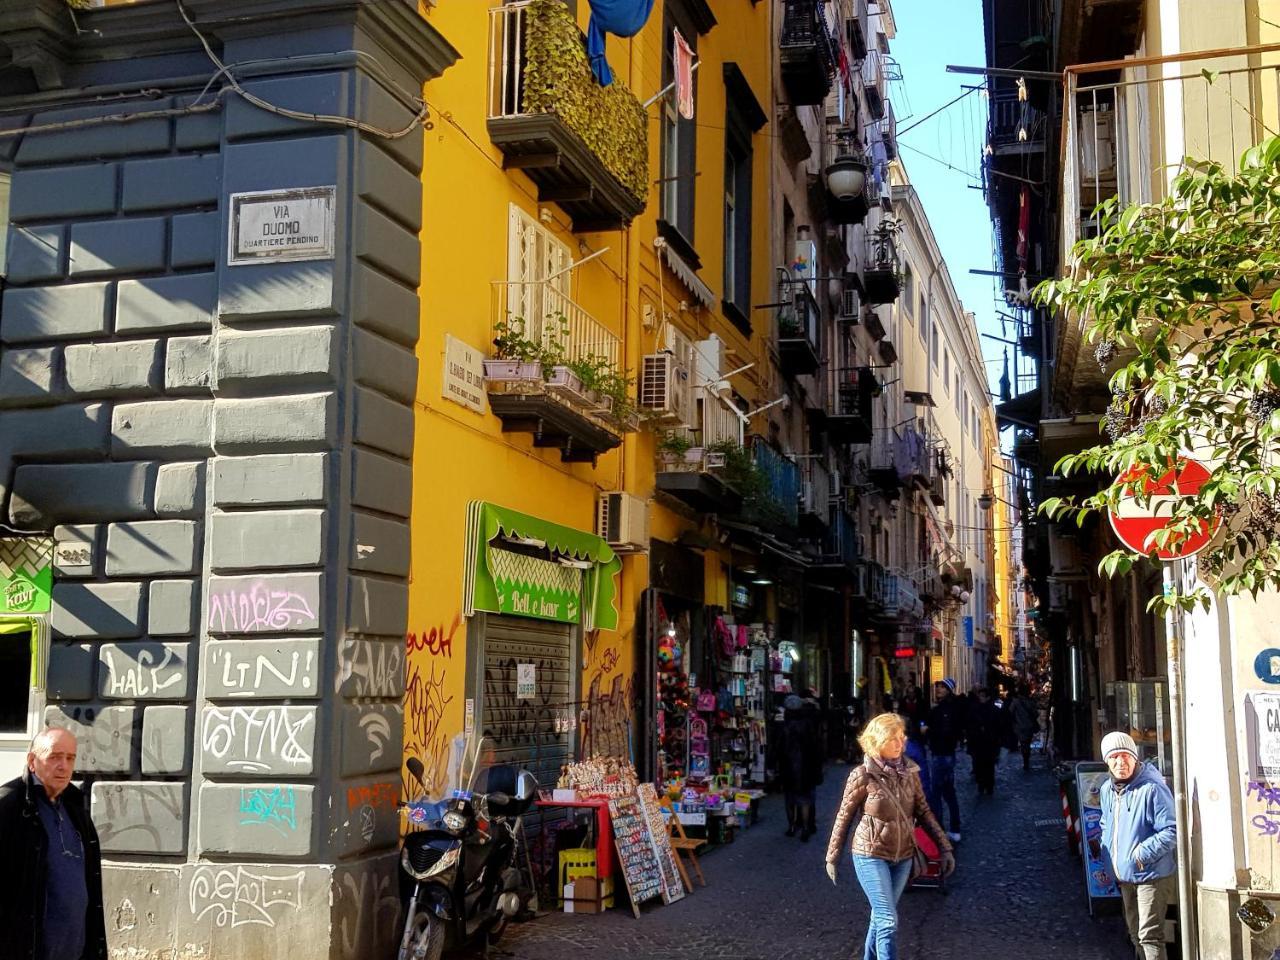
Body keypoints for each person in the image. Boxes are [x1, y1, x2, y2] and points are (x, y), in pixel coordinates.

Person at [825, 713, 955, 960]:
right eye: (893, 738)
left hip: (903, 856)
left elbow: (924, 811)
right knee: (887, 919)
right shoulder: (862, 775)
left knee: (881, 916)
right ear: (877, 741)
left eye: (902, 737)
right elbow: (844, 816)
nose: (900, 742)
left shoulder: (910, 772)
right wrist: (833, 857)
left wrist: (944, 847)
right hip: (870, 854)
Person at [0, 727, 107, 960]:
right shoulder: (9, 806)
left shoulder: (76, 809)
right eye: (54, 756)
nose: (64, 766)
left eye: (70, 758)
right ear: (32, 761)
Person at [1098, 731, 1178, 960]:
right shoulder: (1107, 790)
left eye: (1125, 756)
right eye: (1114, 757)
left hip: (1151, 875)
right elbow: (1106, 824)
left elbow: (1171, 830)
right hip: (1124, 876)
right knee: (1135, 933)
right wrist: (1108, 858)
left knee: (1149, 936)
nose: (1120, 762)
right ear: (1107, 762)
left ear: (1135, 757)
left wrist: (1140, 854)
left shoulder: (1152, 789)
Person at [923, 678, 964, 842]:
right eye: (937, 686)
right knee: (948, 792)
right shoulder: (945, 707)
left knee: (937, 794)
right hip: (944, 754)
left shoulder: (946, 709)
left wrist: (928, 731)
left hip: (942, 754)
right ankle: (954, 829)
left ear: (949, 690)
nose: (938, 689)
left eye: (942, 687)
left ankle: (939, 830)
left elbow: (945, 732)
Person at [780, 693, 823, 840]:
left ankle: (791, 826)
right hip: (806, 767)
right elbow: (815, 747)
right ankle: (805, 827)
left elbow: (778, 748)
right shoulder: (807, 725)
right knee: (805, 798)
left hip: (788, 767)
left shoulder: (784, 726)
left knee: (790, 799)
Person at [965, 687, 1004, 796]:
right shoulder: (976, 709)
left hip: (989, 742)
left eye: (982, 696)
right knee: (981, 764)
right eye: (980, 696)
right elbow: (970, 725)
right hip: (979, 742)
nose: (981, 698)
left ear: (987, 697)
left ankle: (988, 785)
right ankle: (982, 784)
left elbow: (999, 726)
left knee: (988, 765)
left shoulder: (993, 710)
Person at [1008, 684, 1040, 771]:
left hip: (1019, 726)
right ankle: (1026, 759)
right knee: (1027, 743)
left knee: (1023, 743)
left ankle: (1025, 759)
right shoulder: (1031, 701)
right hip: (1029, 726)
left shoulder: (1015, 702)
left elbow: (1010, 712)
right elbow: (1036, 714)